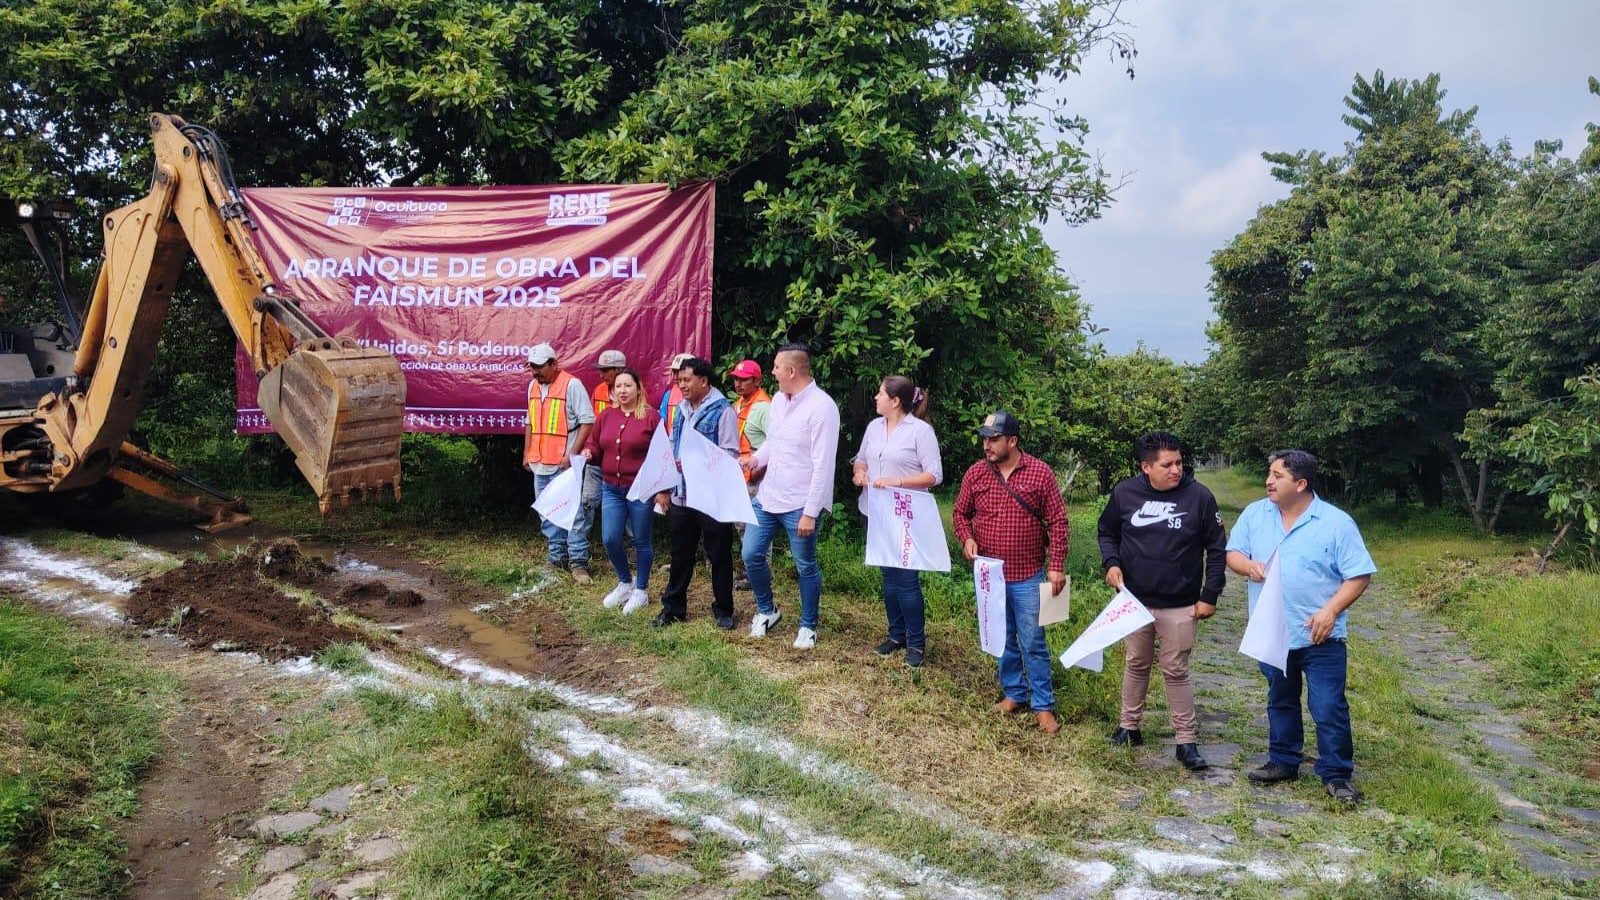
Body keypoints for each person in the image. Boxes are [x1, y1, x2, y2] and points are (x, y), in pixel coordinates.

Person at [1226, 449, 1376, 804]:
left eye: (1277, 475)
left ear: (1301, 483)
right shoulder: (1255, 515)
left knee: (1327, 705)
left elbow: (1359, 575)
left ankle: (1337, 774)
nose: (1268, 480)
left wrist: (1331, 610)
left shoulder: (1336, 523)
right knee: (1280, 698)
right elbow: (1232, 553)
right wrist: (1248, 567)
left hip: (1320, 634)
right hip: (1273, 629)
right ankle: (1283, 760)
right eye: (1269, 473)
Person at [1097, 431, 1227, 770]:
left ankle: (1186, 741)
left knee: (1175, 669)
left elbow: (1216, 549)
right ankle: (1129, 727)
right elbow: (1107, 532)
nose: (1176, 470)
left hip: (1180, 603)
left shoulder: (1199, 497)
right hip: (1134, 601)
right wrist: (1110, 564)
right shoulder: (1125, 493)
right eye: (1167, 464)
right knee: (1136, 663)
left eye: (1179, 462)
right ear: (1146, 467)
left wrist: (1209, 594)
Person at [952, 411, 1069, 735]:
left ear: (1012, 441)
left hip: (1028, 574)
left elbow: (1058, 521)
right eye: (985, 438)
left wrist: (1056, 564)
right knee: (1002, 639)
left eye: (994, 439)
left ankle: (1043, 706)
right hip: (991, 577)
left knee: (1033, 640)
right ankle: (1014, 693)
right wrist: (967, 537)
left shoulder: (1040, 474)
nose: (986, 445)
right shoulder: (977, 473)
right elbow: (960, 513)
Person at [740, 343, 840, 649]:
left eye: (776, 367)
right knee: (750, 554)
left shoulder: (822, 408)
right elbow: (774, 441)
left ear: (792, 371)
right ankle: (767, 610)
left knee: (805, 565)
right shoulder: (780, 403)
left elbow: (823, 464)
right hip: (768, 496)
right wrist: (756, 459)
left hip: (800, 502)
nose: (772, 372)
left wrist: (811, 511)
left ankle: (808, 626)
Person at [852, 376, 942, 667]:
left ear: (895, 401)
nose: (875, 398)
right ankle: (896, 634)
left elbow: (934, 475)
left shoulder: (920, 431)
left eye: (880, 394)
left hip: (905, 514)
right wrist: (860, 473)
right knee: (889, 578)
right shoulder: (874, 428)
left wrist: (898, 481)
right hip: (875, 512)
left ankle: (916, 642)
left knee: (906, 580)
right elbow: (861, 459)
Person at [655, 357, 741, 629]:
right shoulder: (680, 409)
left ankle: (724, 610)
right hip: (682, 494)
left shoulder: (722, 410)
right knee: (680, 554)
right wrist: (665, 484)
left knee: (719, 555)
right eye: (679, 380)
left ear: (704, 381)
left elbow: (730, 453)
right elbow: (672, 445)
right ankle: (673, 609)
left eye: (687, 380)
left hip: (712, 497)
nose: (682, 385)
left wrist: (696, 462)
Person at [582, 368, 661, 615]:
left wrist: (661, 489)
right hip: (611, 488)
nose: (623, 391)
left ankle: (642, 590)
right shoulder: (606, 416)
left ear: (638, 388)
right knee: (610, 538)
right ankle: (625, 582)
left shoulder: (651, 417)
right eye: (618, 386)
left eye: (628, 386)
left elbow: (662, 455)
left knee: (641, 540)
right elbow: (595, 444)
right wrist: (589, 452)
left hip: (640, 490)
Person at [523, 343, 594, 582]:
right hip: (539, 462)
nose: (535, 372)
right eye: (532, 367)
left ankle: (578, 563)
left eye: (540, 367)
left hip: (564, 465)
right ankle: (556, 559)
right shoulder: (533, 386)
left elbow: (587, 421)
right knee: (548, 513)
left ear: (554, 364)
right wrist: (526, 453)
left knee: (573, 514)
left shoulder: (572, 385)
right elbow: (530, 423)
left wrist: (572, 455)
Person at [584, 349, 628, 543]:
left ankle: (631, 551)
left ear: (619, 370)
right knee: (586, 503)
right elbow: (594, 423)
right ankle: (579, 550)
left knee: (627, 507)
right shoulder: (599, 390)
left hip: (624, 463)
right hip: (597, 459)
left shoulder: (634, 391)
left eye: (606, 370)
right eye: (600, 370)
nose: (601, 375)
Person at [658, 351, 693, 435]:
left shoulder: (700, 393)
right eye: (674, 372)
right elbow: (662, 422)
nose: (676, 376)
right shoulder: (669, 395)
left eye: (680, 371)